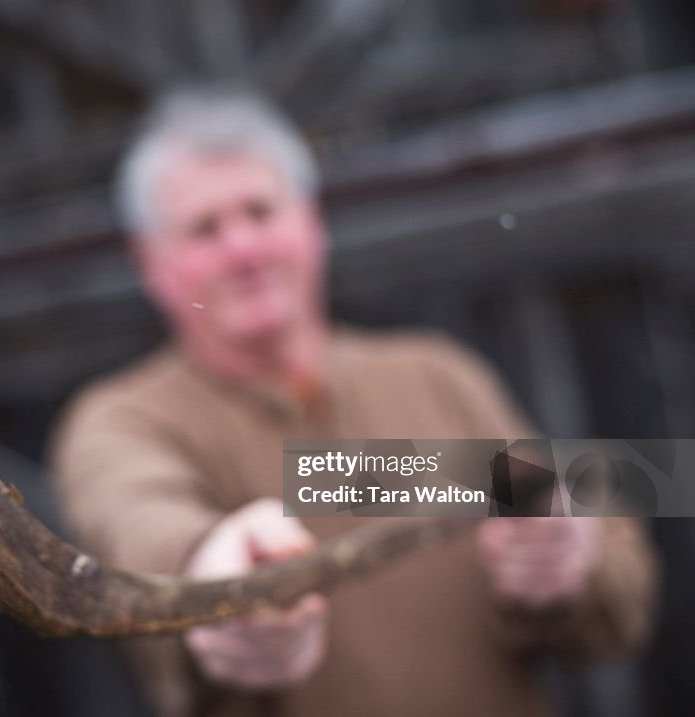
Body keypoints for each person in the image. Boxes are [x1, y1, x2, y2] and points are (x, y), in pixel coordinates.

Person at [49, 87, 659, 717]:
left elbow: (608, 558)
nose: (243, 249)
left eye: (260, 211)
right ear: (152, 262)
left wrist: (567, 565)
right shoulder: (122, 419)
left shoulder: (436, 376)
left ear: (311, 222)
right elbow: (135, 513)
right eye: (205, 228)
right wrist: (211, 577)